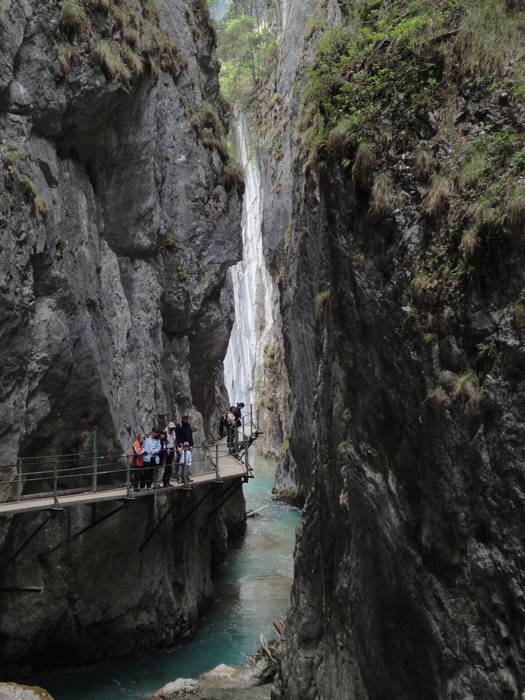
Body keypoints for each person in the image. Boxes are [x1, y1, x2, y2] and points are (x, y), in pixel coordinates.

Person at [175, 413, 194, 482]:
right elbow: (177, 437)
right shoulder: (179, 426)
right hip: (181, 446)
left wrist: (192, 445)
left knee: (187, 462)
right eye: (184, 418)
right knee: (180, 462)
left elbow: (190, 436)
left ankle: (186, 477)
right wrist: (178, 445)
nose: (186, 419)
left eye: (187, 418)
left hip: (188, 446)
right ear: (182, 418)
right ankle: (179, 478)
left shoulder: (188, 426)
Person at [161, 421, 176, 487]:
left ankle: (167, 481)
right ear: (168, 427)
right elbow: (163, 441)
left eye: (172, 428)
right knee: (164, 466)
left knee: (169, 466)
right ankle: (164, 481)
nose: (171, 429)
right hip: (166, 450)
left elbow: (174, 440)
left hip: (171, 449)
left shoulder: (173, 433)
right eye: (171, 428)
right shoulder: (165, 432)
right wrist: (166, 449)